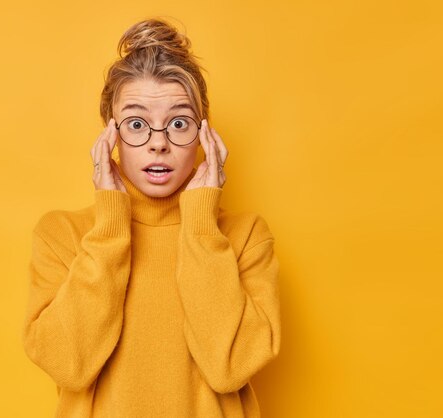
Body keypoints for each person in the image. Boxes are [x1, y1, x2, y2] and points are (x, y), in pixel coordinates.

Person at [22, 17, 281, 418]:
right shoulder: (63, 235)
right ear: (109, 134)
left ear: (204, 134)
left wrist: (199, 223)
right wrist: (110, 225)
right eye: (137, 124)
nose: (158, 143)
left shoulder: (245, 236)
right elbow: (68, 365)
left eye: (178, 123)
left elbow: (229, 368)